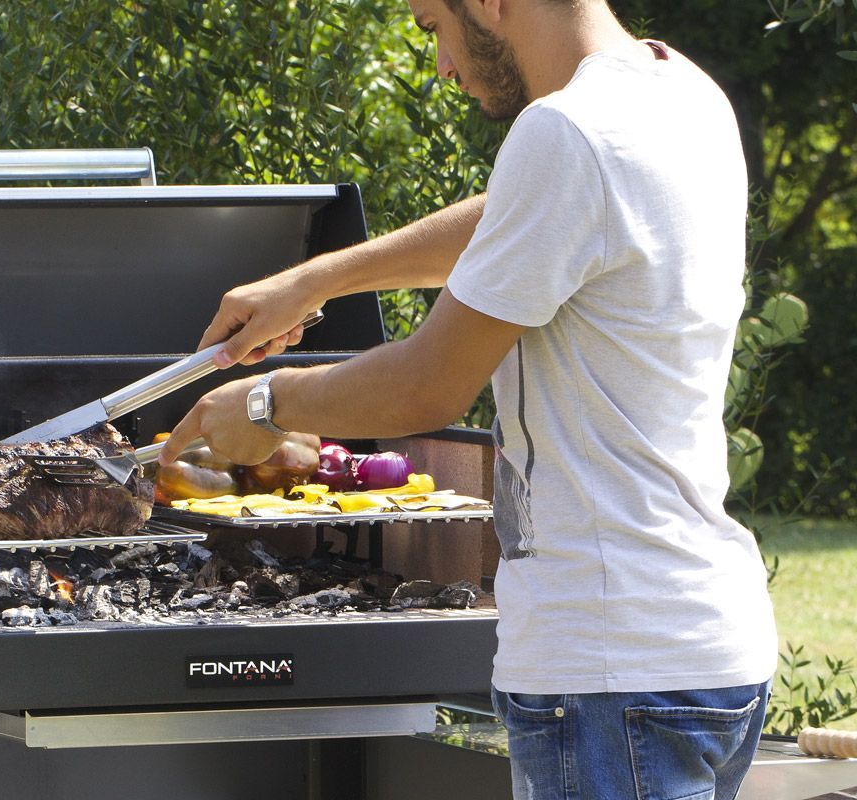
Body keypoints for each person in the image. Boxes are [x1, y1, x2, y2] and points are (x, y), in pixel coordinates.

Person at [158, 0, 779, 797]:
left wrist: (261, 406)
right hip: (704, 648)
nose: (443, 65)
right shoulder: (682, 96)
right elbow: (520, 217)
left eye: (432, 27)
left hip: (608, 668)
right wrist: (318, 278)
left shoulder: (566, 131)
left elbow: (429, 382)